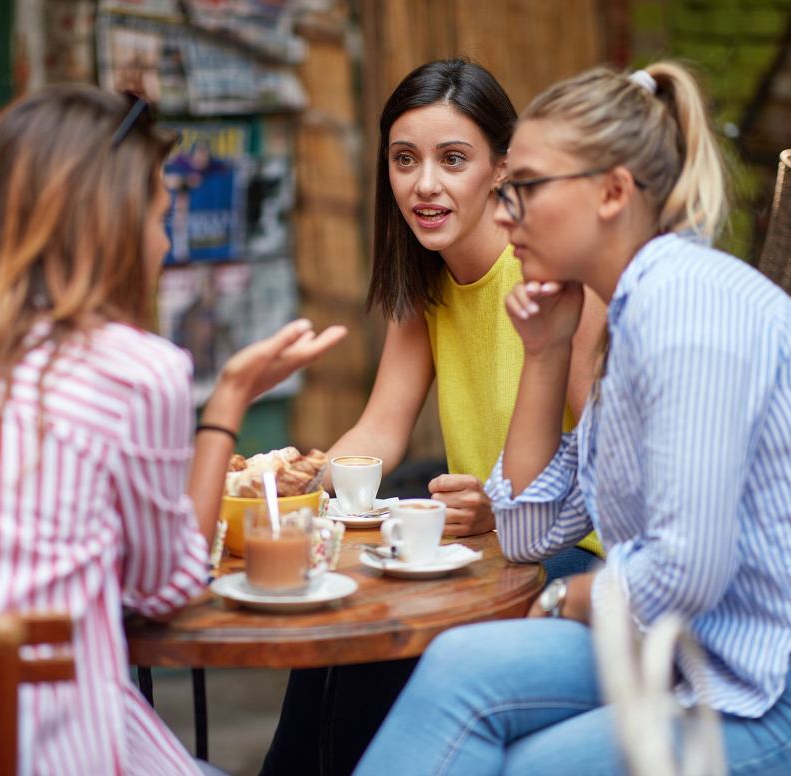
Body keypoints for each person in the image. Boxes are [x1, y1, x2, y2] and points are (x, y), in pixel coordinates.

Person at [0, 85, 346, 775]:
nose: (166, 239)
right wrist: (229, 400)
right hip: (21, 741)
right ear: (109, 228)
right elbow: (167, 586)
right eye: (157, 215)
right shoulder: (134, 369)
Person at [356, 61, 791, 775]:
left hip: (776, 684)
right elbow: (526, 530)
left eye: (528, 189)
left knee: (525, 765)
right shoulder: (630, 315)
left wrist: (559, 598)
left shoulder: (687, 312)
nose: (505, 211)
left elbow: (684, 571)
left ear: (613, 192)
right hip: (686, 645)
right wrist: (544, 354)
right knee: (458, 665)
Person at [261, 58, 606, 776]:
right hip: (482, 551)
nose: (425, 185)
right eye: (404, 160)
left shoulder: (551, 276)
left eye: (453, 160)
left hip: (576, 556)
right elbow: (381, 431)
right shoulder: (428, 281)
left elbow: (617, 468)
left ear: (503, 169)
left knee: (386, 651)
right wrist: (293, 480)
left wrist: (509, 508)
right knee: (335, 616)